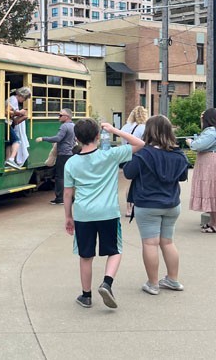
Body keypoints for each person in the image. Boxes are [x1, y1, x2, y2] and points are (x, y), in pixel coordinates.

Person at [63, 119, 144, 309]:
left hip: (83, 214)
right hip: (108, 212)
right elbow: (139, 144)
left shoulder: (71, 163)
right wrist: (114, 129)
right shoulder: (111, 155)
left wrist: (68, 216)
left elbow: (68, 193)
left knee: (85, 256)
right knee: (114, 250)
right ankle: (107, 283)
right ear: (98, 136)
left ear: (76, 138)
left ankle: (86, 296)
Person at [122, 115, 189, 295]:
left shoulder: (143, 154)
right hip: (172, 204)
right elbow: (182, 177)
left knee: (150, 244)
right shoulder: (178, 154)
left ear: (148, 132)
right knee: (167, 242)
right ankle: (173, 279)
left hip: (148, 203)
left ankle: (153, 284)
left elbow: (128, 173)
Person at [36, 108, 75, 205]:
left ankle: (60, 198)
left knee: (60, 176)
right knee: (69, 177)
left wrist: (43, 138)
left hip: (63, 154)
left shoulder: (64, 126)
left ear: (67, 117)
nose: (59, 117)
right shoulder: (73, 126)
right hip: (71, 153)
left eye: (60, 115)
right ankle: (71, 197)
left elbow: (58, 138)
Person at [187, 108, 216, 233]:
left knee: (211, 191)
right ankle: (212, 221)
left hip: (210, 164)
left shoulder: (211, 132)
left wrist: (190, 142)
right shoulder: (210, 131)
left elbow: (198, 145)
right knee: (210, 192)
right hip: (207, 163)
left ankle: (214, 223)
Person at [120, 105, 148, 217]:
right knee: (140, 181)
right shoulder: (144, 128)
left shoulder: (125, 127)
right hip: (140, 156)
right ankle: (138, 206)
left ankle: (128, 208)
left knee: (129, 182)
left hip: (127, 155)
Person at [5, 87, 32, 169]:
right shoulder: (13, 99)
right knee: (17, 141)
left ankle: (7, 162)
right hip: (6, 123)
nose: (24, 101)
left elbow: (15, 120)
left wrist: (23, 116)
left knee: (10, 143)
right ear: (21, 95)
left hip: (8, 123)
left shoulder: (13, 100)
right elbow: (6, 111)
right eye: (25, 98)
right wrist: (19, 112)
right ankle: (11, 159)